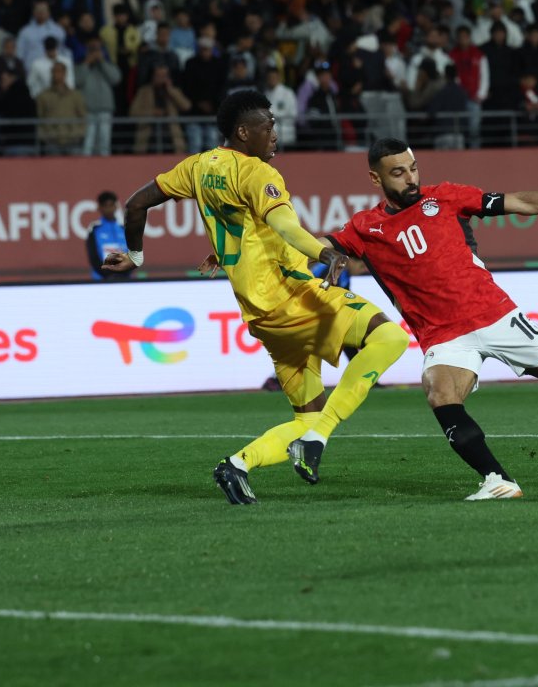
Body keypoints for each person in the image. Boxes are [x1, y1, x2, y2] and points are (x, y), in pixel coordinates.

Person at [103, 90, 408, 505]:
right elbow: (286, 227)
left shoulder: (197, 166)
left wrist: (136, 257)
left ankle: (237, 464)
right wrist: (326, 252)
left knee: (308, 417)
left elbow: (137, 204)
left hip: (263, 319)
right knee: (391, 339)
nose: (276, 133)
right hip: (294, 298)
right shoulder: (259, 174)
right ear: (244, 131)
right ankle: (319, 438)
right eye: (268, 125)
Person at [323, 138, 538, 500]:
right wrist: (320, 253)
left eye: (414, 168)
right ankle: (497, 479)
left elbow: (520, 201)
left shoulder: (447, 197)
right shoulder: (364, 227)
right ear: (376, 179)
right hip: (443, 335)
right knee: (441, 395)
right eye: (399, 173)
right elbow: (318, 245)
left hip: (495, 314)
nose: (410, 179)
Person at [86, 191, 128, 280]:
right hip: (101, 280)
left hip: (125, 280)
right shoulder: (94, 230)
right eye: (105, 206)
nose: (109, 209)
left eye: (111, 205)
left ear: (116, 206)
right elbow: (93, 257)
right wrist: (108, 275)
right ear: (99, 208)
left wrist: (123, 273)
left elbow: (133, 255)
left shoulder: (124, 229)